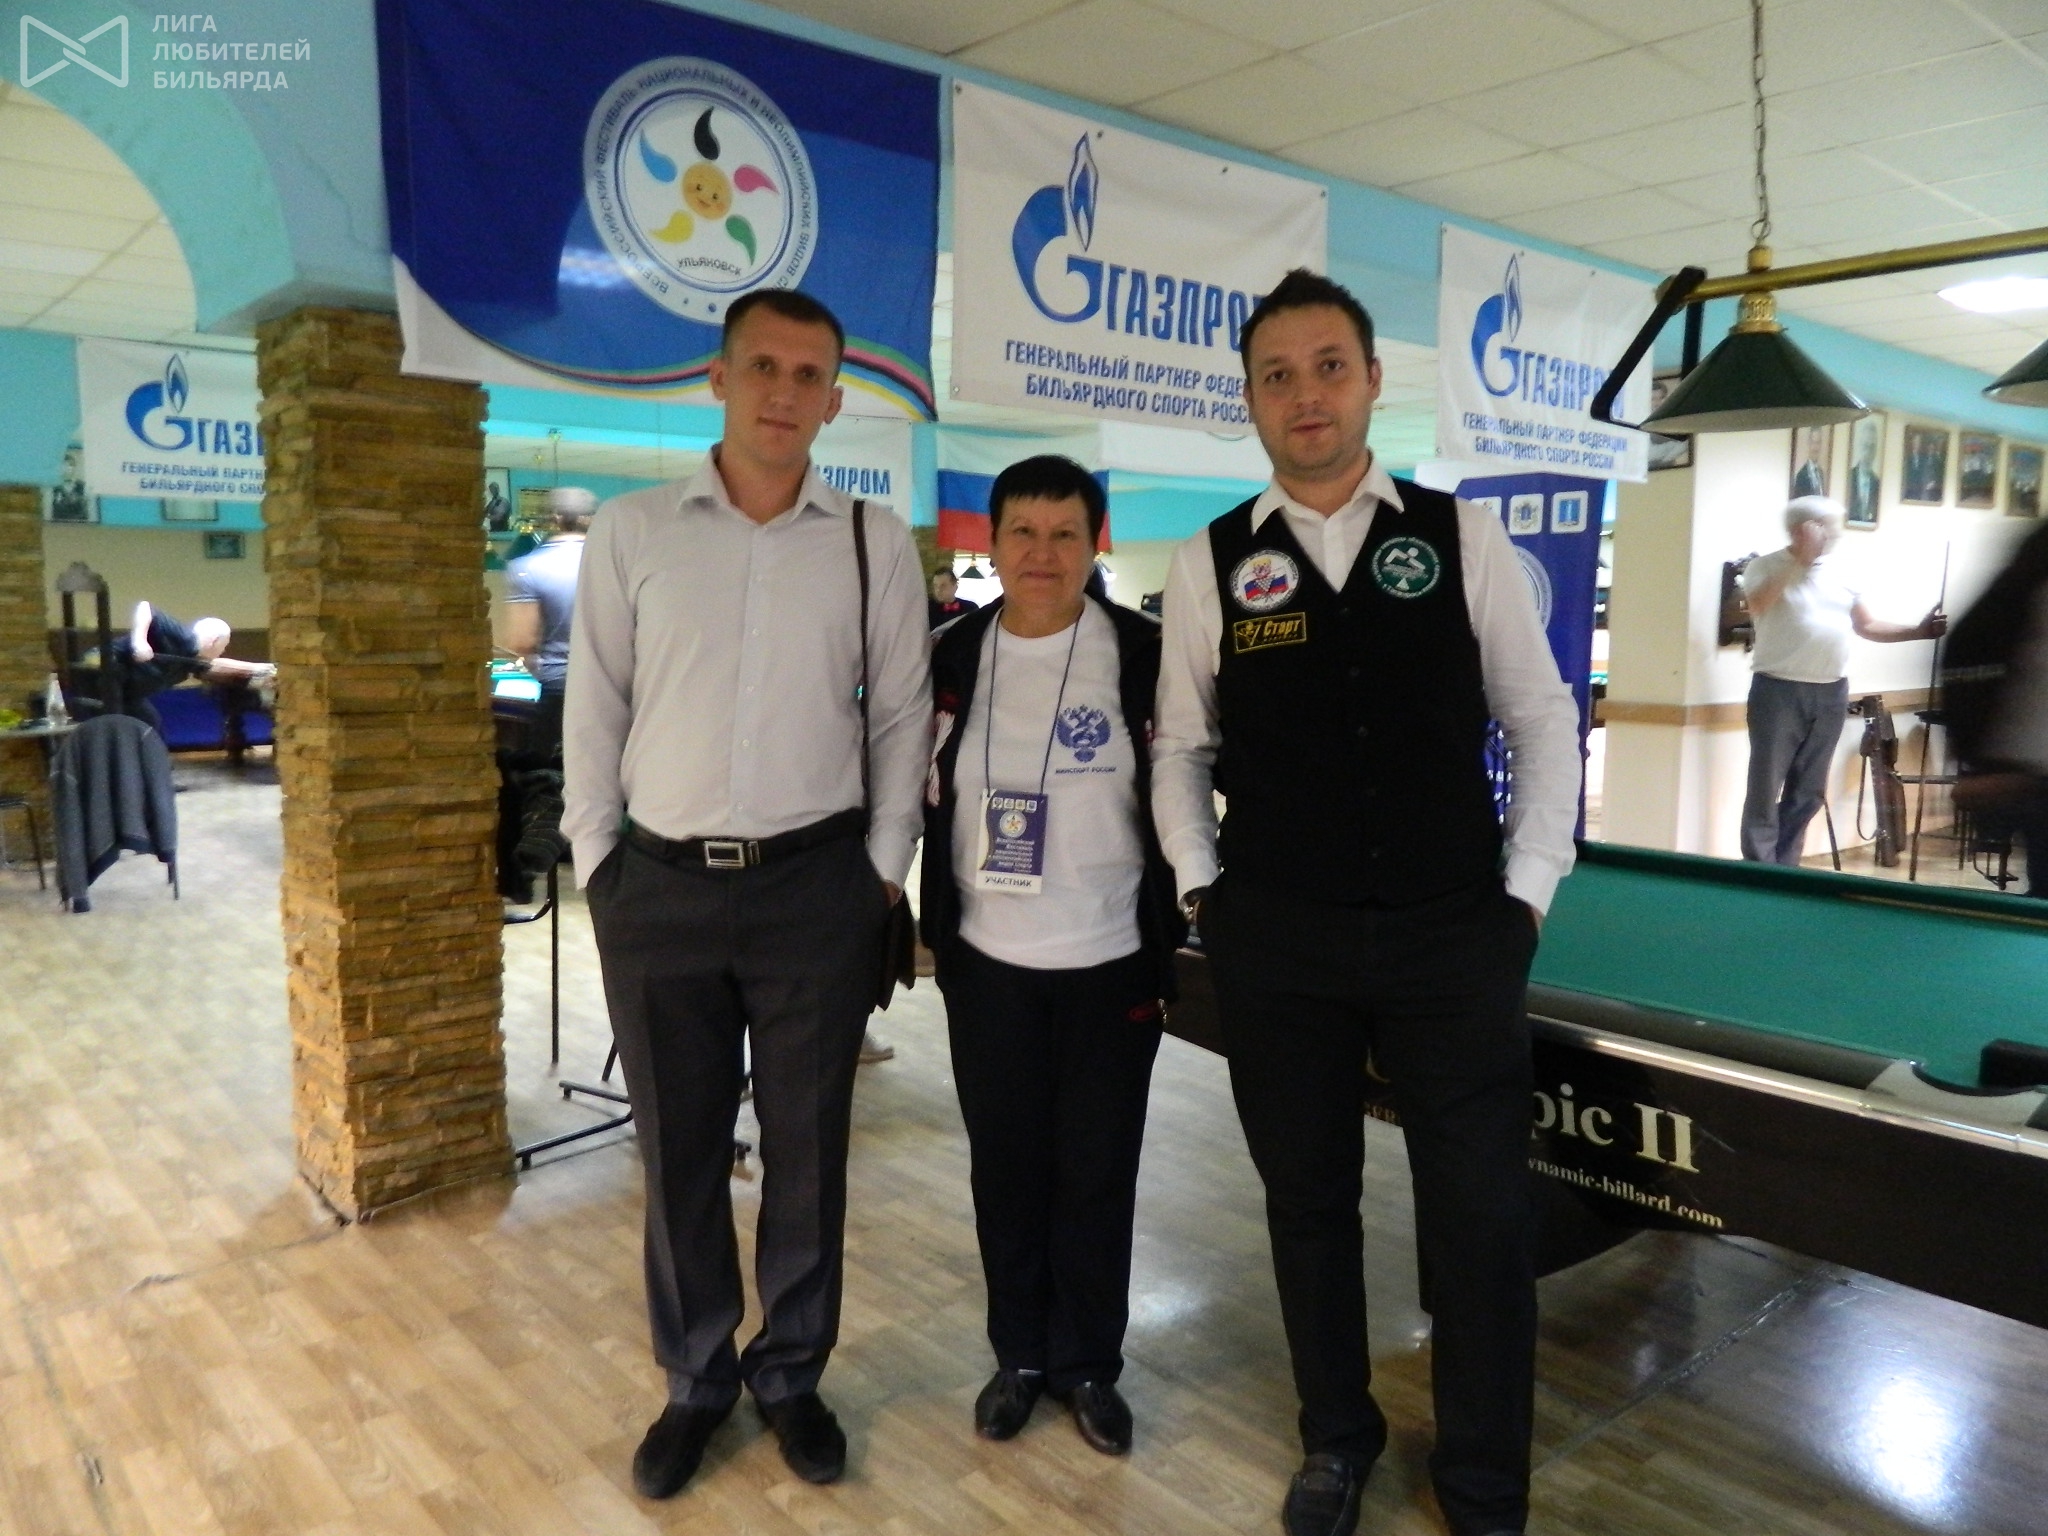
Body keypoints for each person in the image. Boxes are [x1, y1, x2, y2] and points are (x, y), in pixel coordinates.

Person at [1153, 269, 1582, 1536]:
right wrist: (1202, 893)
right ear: (1248, 400)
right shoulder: (1210, 560)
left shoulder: (1460, 538)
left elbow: (1541, 719)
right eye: (1276, 375)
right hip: (1276, 938)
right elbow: (1177, 749)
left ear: (1371, 382)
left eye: (1328, 366)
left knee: (1480, 1219)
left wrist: (1524, 895)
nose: (1305, 394)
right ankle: (1336, 1438)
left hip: (1452, 933)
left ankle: (1482, 1482)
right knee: (1306, 1205)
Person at [561, 288, 928, 1500]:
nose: (784, 391)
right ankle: (696, 1380)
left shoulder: (872, 540)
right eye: (763, 366)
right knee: (677, 1149)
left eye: (808, 374)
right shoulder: (634, 532)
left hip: (815, 889)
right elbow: (595, 704)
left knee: (809, 1150)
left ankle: (790, 1373)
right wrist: (598, 861)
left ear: (834, 398)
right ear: (717, 380)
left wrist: (881, 871)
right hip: (657, 889)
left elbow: (902, 716)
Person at [921, 454, 1182, 1458]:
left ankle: (1088, 1365)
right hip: (988, 963)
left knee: (1097, 1173)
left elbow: (1187, 778)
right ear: (990, 544)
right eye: (1022, 533)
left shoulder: (1143, 652)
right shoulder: (951, 653)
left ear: (1093, 543)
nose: (1042, 553)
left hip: (1112, 959)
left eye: (1064, 533)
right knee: (1007, 1170)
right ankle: (1020, 1358)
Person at [1738, 497, 1945, 865]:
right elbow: (1756, 605)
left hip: (1831, 691)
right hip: (1777, 689)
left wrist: (1918, 631)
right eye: (1827, 527)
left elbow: (1867, 625)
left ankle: (1784, 867)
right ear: (1801, 529)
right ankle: (1758, 867)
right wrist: (1799, 561)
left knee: (1809, 791)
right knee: (1765, 788)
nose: (1834, 535)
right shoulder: (1765, 566)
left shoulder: (1844, 570)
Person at [499, 486, 594, 763]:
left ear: (553, 519)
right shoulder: (621, 563)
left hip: (558, 690)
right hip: (616, 692)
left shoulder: (526, 567)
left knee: (551, 775)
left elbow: (522, 642)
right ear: (592, 519)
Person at [114, 602, 270, 732]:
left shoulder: (194, 661)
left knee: (151, 726)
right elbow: (145, 607)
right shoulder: (182, 636)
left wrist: (260, 669)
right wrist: (139, 642)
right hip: (108, 674)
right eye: (224, 646)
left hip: (128, 696)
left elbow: (217, 665)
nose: (222, 651)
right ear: (214, 641)